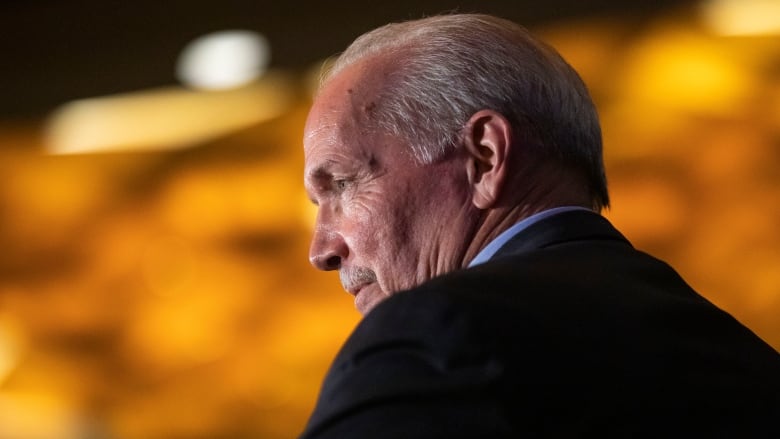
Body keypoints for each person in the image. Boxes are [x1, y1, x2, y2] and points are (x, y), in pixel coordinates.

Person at [300, 13, 780, 438]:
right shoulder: (739, 353)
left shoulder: (436, 340)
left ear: (484, 159)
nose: (321, 250)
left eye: (341, 183)